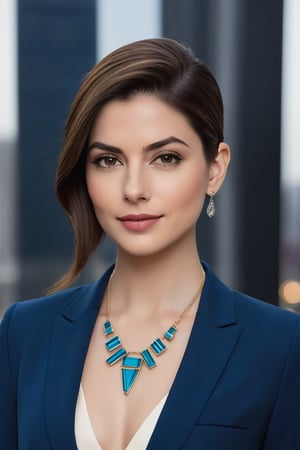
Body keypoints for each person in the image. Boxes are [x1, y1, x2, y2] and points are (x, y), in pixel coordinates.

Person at [0, 38, 300, 450]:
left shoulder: (281, 347)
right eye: (109, 160)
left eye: (166, 158)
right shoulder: (25, 333)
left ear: (215, 168)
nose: (134, 189)